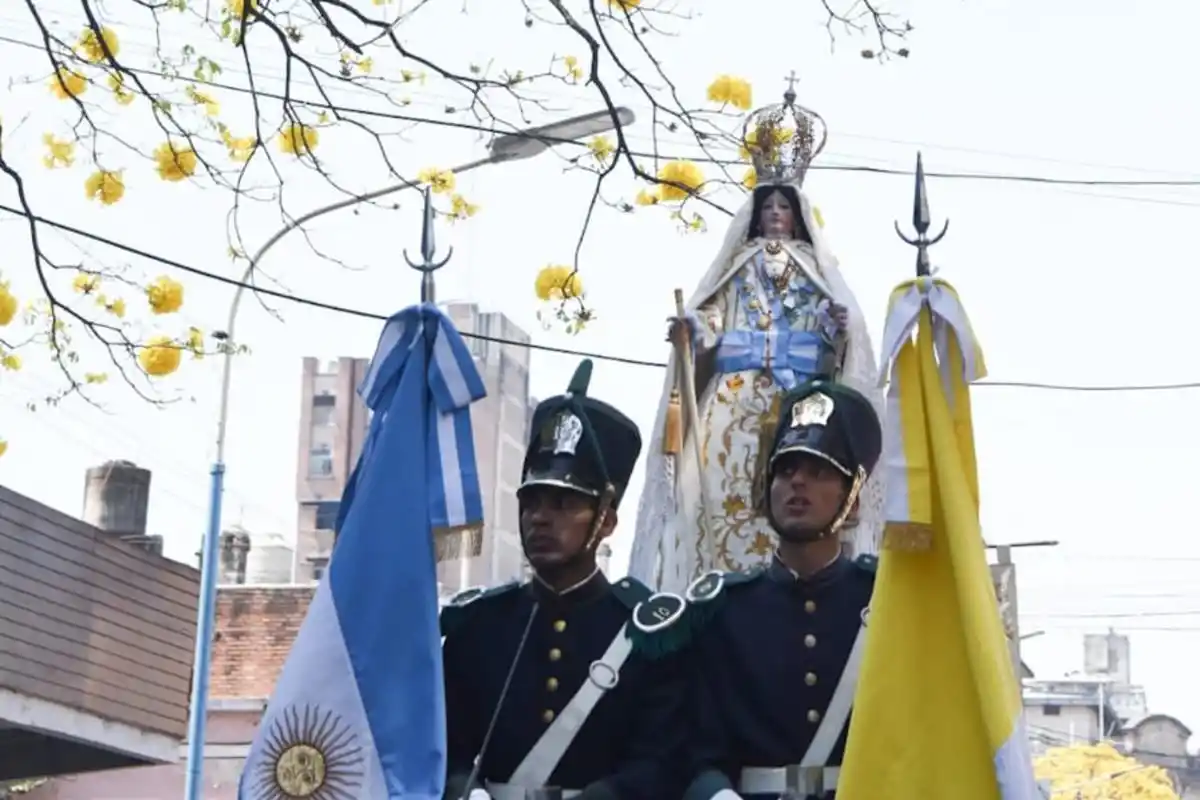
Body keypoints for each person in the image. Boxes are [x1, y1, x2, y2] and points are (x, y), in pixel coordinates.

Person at [629, 82, 885, 593]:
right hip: (734, 396)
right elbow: (715, 317)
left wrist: (839, 326)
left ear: (797, 216)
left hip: (801, 402)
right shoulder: (738, 267)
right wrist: (694, 330)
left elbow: (840, 338)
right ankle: (712, 583)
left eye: (782, 208)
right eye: (766, 207)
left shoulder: (817, 270)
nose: (774, 215)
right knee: (717, 494)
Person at [440, 360, 693, 800]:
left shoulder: (649, 636)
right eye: (531, 502)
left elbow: (663, 761)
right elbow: (442, 747)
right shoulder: (477, 626)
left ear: (607, 521)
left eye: (563, 503)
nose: (540, 518)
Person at [681, 379, 883, 800]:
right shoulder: (723, 611)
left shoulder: (884, 603)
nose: (797, 483)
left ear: (854, 499)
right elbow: (694, 750)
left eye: (819, 472)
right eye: (786, 470)